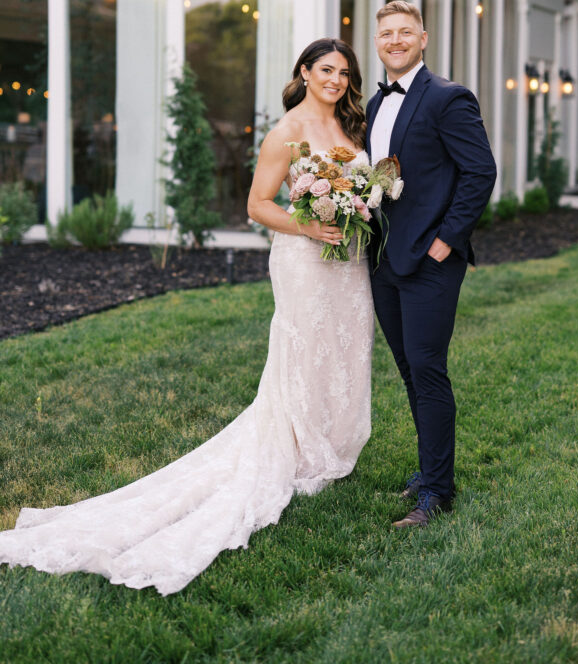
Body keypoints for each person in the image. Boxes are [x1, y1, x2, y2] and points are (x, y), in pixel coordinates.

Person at [0, 39, 374, 595]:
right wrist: (309, 225)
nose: (336, 80)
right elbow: (257, 205)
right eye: (326, 69)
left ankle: (334, 443)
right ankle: (300, 450)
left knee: (345, 348)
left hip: (349, 263)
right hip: (305, 260)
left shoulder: (352, 126)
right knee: (305, 351)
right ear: (304, 71)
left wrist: (357, 208)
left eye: (344, 72)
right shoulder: (287, 131)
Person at [366, 1, 496, 528]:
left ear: (423, 38)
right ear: (377, 42)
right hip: (383, 259)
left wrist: (447, 240)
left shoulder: (447, 97)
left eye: (405, 32)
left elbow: (480, 171)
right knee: (408, 370)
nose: (395, 40)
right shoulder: (375, 103)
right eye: (386, 34)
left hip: (431, 259)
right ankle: (428, 472)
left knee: (428, 369)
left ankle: (438, 492)